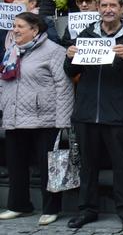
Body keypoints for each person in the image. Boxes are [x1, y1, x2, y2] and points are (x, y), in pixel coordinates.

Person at [63, 0, 123, 230]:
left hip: (119, 113)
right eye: (104, 6)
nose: (108, 10)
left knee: (122, 164)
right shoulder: (86, 33)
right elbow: (70, 72)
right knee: (88, 165)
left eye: (113, 6)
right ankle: (87, 209)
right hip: (87, 112)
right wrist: (70, 56)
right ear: (98, 9)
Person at [0, 12, 74, 226]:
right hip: (15, 116)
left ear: (35, 30)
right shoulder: (11, 51)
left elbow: (64, 87)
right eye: (14, 25)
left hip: (46, 118)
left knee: (48, 167)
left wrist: (63, 120)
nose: (15, 30)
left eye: (20, 26)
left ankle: (51, 208)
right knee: (15, 164)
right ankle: (18, 205)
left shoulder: (54, 51)